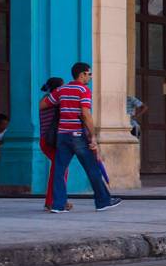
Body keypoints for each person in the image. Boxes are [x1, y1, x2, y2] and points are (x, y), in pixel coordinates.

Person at [46, 62, 119, 213]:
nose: (90, 77)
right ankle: (103, 201)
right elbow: (86, 114)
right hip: (77, 135)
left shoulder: (61, 89)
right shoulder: (83, 90)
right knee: (92, 168)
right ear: (82, 74)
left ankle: (58, 205)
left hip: (62, 135)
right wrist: (93, 136)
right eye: (89, 74)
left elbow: (43, 104)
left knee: (59, 171)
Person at [37, 77, 62, 205]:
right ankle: (54, 201)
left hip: (45, 140)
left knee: (57, 169)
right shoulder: (54, 101)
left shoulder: (45, 99)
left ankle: (52, 200)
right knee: (60, 170)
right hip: (51, 141)